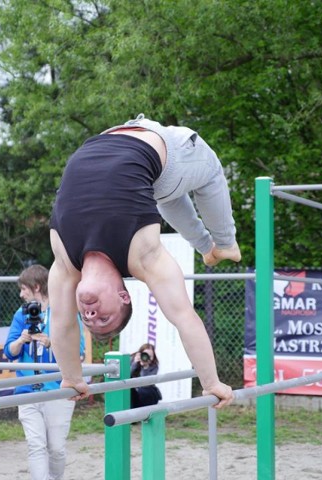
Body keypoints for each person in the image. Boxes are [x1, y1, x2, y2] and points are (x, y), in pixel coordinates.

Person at [49, 113, 236, 407]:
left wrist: (72, 377)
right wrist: (212, 383)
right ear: (124, 296)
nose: (90, 314)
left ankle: (205, 246)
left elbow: (61, 323)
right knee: (209, 173)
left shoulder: (65, 263)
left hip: (112, 136)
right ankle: (225, 245)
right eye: (104, 317)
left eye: (88, 319)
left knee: (166, 195)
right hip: (167, 147)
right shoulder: (143, 260)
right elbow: (184, 317)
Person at [4, 264, 85, 480]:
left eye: (23, 289)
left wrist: (52, 343)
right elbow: (9, 351)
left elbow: (79, 352)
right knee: (35, 445)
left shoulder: (64, 311)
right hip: (27, 391)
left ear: (36, 286)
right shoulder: (22, 314)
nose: (21, 294)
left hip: (58, 390)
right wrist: (21, 340)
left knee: (56, 448)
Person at [130, 343, 162, 408]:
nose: (146, 358)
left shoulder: (154, 365)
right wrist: (134, 364)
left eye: (150, 356)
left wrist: (145, 368)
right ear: (140, 354)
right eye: (145, 355)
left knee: (145, 392)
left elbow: (146, 383)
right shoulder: (132, 359)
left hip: (147, 392)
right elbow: (126, 376)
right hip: (133, 390)